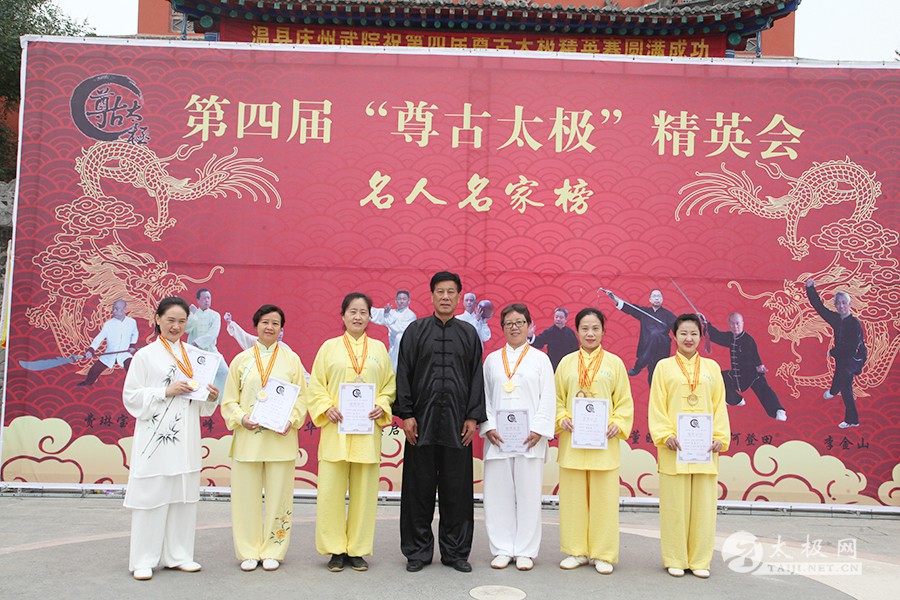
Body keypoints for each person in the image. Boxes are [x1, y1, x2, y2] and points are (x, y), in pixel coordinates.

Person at [122, 296, 220, 581]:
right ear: (157, 319)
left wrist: (211, 397)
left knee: (183, 499)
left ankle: (179, 555)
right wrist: (165, 391)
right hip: (155, 440)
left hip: (186, 438)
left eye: (181, 321)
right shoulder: (145, 356)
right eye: (170, 320)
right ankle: (143, 559)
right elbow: (131, 396)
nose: (176, 326)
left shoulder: (196, 356)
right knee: (151, 498)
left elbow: (202, 405)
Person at [395, 271, 486, 573]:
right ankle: (417, 552)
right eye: (440, 292)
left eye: (451, 292)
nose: (445, 297)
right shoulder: (415, 331)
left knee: (457, 491)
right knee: (417, 491)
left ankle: (456, 552)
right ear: (432, 295)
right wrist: (407, 414)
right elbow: (403, 374)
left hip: (457, 427)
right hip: (420, 426)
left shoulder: (468, 334)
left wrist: (472, 416)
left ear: (459, 296)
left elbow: (476, 377)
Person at [308, 293, 396, 572]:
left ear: (370, 317)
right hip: (335, 431)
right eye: (352, 311)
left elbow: (389, 386)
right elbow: (316, 385)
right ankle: (335, 549)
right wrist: (326, 407)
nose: (358, 317)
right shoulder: (329, 348)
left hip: (366, 433)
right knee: (330, 493)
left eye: (363, 312)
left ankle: (357, 549)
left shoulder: (379, 349)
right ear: (343, 315)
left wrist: (381, 405)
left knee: (364, 494)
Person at [220, 305, 307, 572]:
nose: (270, 327)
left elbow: (302, 398)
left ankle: (273, 549)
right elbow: (229, 400)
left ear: (282, 329)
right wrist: (241, 417)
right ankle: (248, 550)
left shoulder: (291, 360)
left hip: (281, 441)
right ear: (256, 325)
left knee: (280, 498)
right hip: (248, 440)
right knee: (245, 498)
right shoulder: (241, 360)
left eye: (275, 323)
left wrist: (291, 420)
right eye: (265, 322)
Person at [648, 314, 730, 579]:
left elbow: (718, 405)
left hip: (705, 450)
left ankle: (700, 560)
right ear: (674, 336)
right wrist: (665, 435)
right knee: (674, 507)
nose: (688, 338)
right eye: (683, 333)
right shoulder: (663, 367)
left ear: (701, 336)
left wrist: (720, 437)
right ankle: (675, 558)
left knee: (704, 508)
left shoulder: (712, 368)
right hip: (675, 448)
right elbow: (657, 405)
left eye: (694, 333)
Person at [554, 308, 633, 575]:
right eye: (585, 328)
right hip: (573, 443)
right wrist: (562, 417)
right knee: (573, 500)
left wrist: (618, 423)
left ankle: (603, 553)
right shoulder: (566, 363)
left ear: (603, 331)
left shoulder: (614, 364)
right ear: (577, 331)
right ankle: (576, 551)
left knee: (604, 501)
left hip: (604, 445)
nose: (590, 333)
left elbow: (624, 401)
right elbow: (556, 398)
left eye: (595, 328)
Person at [480, 303, 555, 571]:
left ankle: (525, 550)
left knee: (528, 495)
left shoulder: (540, 359)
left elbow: (548, 396)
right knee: (497, 495)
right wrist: (489, 426)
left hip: (530, 439)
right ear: (502, 328)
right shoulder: (491, 360)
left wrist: (539, 429)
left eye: (520, 322)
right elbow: (484, 396)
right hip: (498, 438)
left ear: (529, 326)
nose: (515, 327)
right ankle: (502, 548)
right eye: (509, 323)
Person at [805, 280, 866, 428]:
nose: (841, 306)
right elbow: (819, 308)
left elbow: (852, 348)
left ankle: (852, 420)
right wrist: (810, 288)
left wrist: (833, 352)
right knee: (839, 371)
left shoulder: (855, 323)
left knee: (845, 383)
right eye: (838, 303)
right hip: (842, 357)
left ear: (849, 304)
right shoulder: (836, 319)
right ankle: (833, 391)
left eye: (844, 303)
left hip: (855, 357)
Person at [705, 312, 787, 421]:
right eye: (732, 323)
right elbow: (717, 336)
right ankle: (735, 400)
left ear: (742, 323)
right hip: (737, 375)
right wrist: (705, 323)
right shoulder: (730, 337)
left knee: (764, 390)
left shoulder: (748, 340)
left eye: (737, 323)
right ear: (729, 324)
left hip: (751, 374)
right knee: (721, 377)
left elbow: (754, 354)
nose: (735, 326)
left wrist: (759, 365)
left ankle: (778, 410)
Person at [605, 289, 676, 384]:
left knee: (655, 335)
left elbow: (679, 327)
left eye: (658, 296)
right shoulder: (644, 312)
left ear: (662, 299)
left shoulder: (668, 315)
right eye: (654, 296)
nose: (656, 298)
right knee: (652, 375)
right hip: (648, 348)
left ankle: (638, 366)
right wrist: (613, 298)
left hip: (661, 348)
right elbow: (630, 308)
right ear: (650, 299)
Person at [78, 299, 139, 386]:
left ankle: (136, 386)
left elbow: (135, 333)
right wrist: (91, 350)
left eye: (117, 309)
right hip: (109, 354)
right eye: (113, 308)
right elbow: (99, 338)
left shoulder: (132, 322)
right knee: (94, 370)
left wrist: (132, 345)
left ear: (124, 310)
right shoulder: (108, 324)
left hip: (124, 353)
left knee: (132, 368)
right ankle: (88, 383)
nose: (114, 311)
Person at [186, 288, 227, 390]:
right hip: (194, 352)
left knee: (225, 372)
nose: (207, 300)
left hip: (211, 350)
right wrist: (191, 315)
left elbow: (213, 334)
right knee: (193, 376)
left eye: (208, 298)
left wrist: (197, 342)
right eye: (204, 298)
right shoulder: (193, 314)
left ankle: (218, 397)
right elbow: (186, 329)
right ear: (198, 300)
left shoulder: (215, 315)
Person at [369, 290, 417, 372]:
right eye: (399, 299)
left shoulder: (410, 315)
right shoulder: (393, 313)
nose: (401, 301)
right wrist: (363, 306)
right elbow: (376, 313)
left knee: (399, 337)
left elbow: (399, 330)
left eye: (404, 299)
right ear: (396, 301)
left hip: (403, 349)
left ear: (408, 301)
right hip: (393, 348)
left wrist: (387, 316)